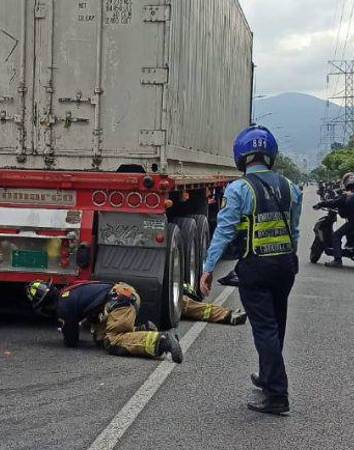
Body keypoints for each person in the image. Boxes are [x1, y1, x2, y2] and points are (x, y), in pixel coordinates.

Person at [198, 125, 301, 415]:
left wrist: (207, 268)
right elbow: (294, 230)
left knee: (264, 328)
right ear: (271, 155)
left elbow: (224, 232)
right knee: (276, 324)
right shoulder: (290, 186)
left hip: (256, 268)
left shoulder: (239, 189)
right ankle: (268, 377)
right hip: (285, 266)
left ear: (241, 156)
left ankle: (277, 395)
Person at [27, 281, 183, 361]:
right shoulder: (68, 292)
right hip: (123, 295)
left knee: (113, 341)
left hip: (120, 301)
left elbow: (71, 339)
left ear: (44, 306)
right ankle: (144, 330)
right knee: (100, 338)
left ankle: (162, 341)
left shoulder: (63, 306)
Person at [320, 172, 354, 269]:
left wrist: (321, 204)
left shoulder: (352, 194)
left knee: (336, 235)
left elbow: (337, 203)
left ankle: (338, 260)